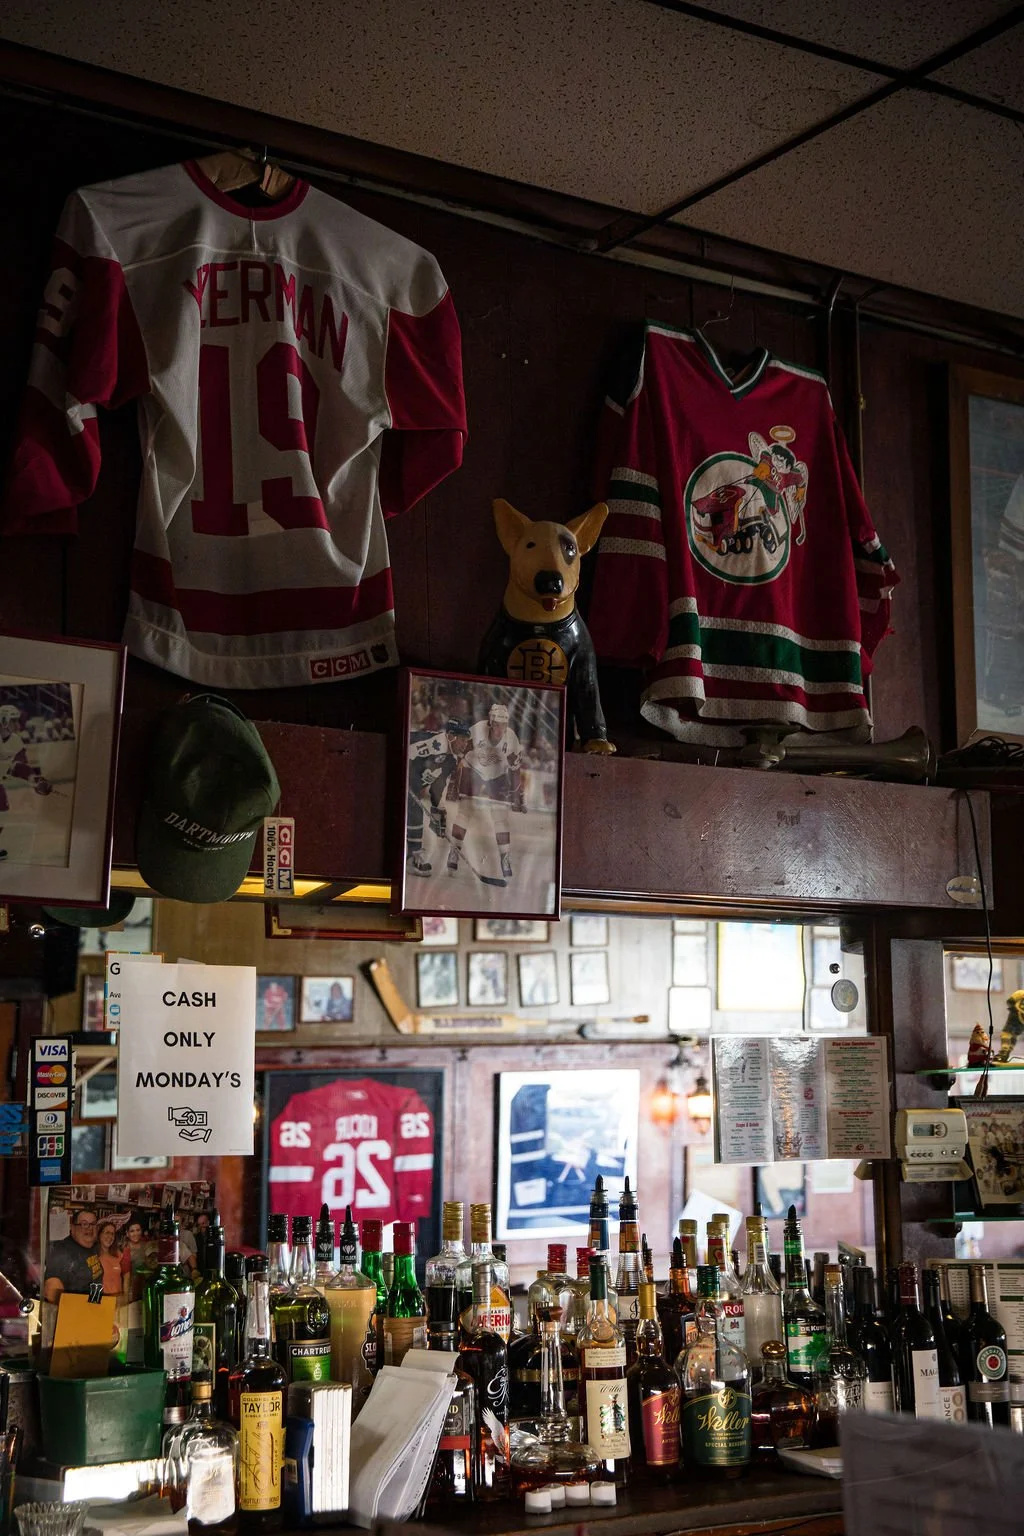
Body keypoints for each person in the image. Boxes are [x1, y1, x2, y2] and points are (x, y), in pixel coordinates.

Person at [447, 702, 524, 886]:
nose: (499, 730)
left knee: (500, 818)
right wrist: (453, 782)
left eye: (503, 725)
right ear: (490, 722)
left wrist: (518, 795)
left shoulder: (511, 739)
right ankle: (454, 851)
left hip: (497, 776)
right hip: (473, 770)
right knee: (464, 812)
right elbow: (459, 755)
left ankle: (505, 857)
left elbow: (515, 769)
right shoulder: (477, 731)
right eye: (496, 725)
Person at [0, 700, 52, 862]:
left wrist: (35, 779)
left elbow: (18, 766)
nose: (18, 724)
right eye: (14, 720)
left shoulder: (16, 741)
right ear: (4, 721)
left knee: (3, 814)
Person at [43, 1206, 103, 1302]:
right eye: (84, 1224)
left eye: (93, 1224)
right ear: (72, 1227)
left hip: (93, 1310)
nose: (89, 1228)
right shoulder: (61, 1251)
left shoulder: (92, 1247)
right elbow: (51, 1291)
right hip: (76, 1314)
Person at [97, 1219, 123, 1296]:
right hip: (102, 1301)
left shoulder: (118, 1254)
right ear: (99, 1234)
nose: (110, 1236)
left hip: (117, 1301)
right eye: (107, 1233)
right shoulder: (93, 1255)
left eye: (112, 1234)